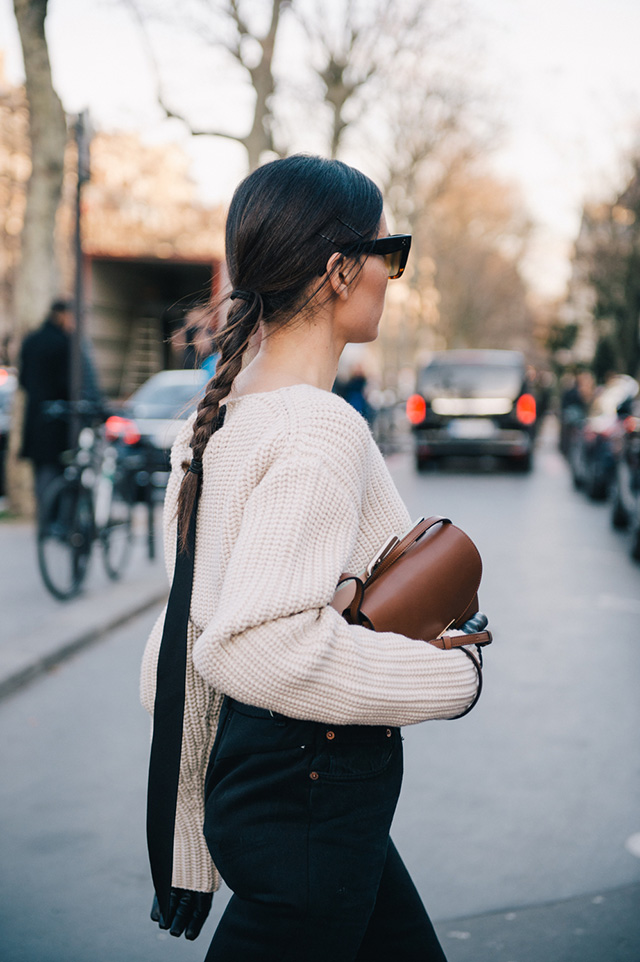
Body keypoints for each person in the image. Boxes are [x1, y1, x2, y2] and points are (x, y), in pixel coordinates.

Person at [141, 155, 483, 961]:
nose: (392, 277)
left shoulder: (222, 419)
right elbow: (253, 646)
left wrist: (191, 826)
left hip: (279, 796)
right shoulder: (314, 429)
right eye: (387, 253)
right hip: (310, 802)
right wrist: (452, 681)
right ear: (338, 271)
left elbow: (184, 642)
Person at [19, 299, 102, 518]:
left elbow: (23, 381)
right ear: (62, 315)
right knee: (61, 469)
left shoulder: (31, 340)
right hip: (61, 419)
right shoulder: (65, 344)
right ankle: (58, 522)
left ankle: (44, 521)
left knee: (42, 471)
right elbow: (73, 384)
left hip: (35, 417)